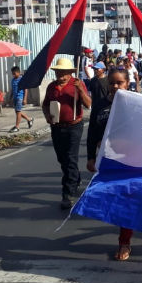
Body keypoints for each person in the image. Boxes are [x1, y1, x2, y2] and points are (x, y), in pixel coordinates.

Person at [86, 69, 136, 261]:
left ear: (128, 83)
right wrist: (91, 156)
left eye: (120, 83)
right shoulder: (100, 105)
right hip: (108, 160)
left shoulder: (137, 104)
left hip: (132, 160)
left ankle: (124, 242)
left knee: (128, 201)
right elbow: (92, 132)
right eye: (112, 83)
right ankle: (125, 235)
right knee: (114, 201)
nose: (115, 86)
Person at [42, 58, 91, 209]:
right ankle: (75, 178)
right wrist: (47, 116)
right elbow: (45, 105)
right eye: (58, 72)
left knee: (70, 158)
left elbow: (88, 104)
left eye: (64, 72)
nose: (60, 75)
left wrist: (80, 90)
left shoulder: (77, 84)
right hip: (57, 127)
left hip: (74, 126)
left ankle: (67, 193)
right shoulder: (51, 87)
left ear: (70, 73)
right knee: (62, 159)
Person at [9, 66, 33, 133]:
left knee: (18, 112)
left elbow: (26, 89)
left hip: (20, 98)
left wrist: (25, 99)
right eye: (12, 73)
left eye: (14, 73)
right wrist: (10, 97)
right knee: (17, 112)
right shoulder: (13, 80)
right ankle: (29, 119)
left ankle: (17, 127)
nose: (13, 75)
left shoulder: (22, 79)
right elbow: (12, 89)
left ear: (18, 72)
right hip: (15, 98)